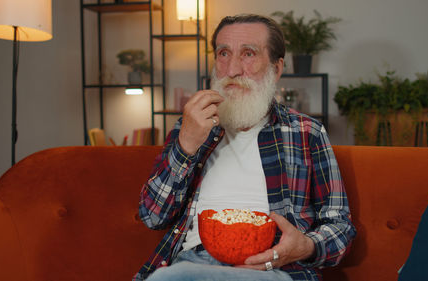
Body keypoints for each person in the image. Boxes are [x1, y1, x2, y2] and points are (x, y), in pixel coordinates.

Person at [134, 14, 356, 281]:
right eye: (223, 53)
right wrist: (186, 147)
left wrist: (305, 246)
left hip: (273, 268)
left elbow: (340, 226)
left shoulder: (306, 132)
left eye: (248, 54)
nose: (231, 70)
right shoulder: (191, 126)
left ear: (276, 68)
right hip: (194, 265)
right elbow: (152, 217)